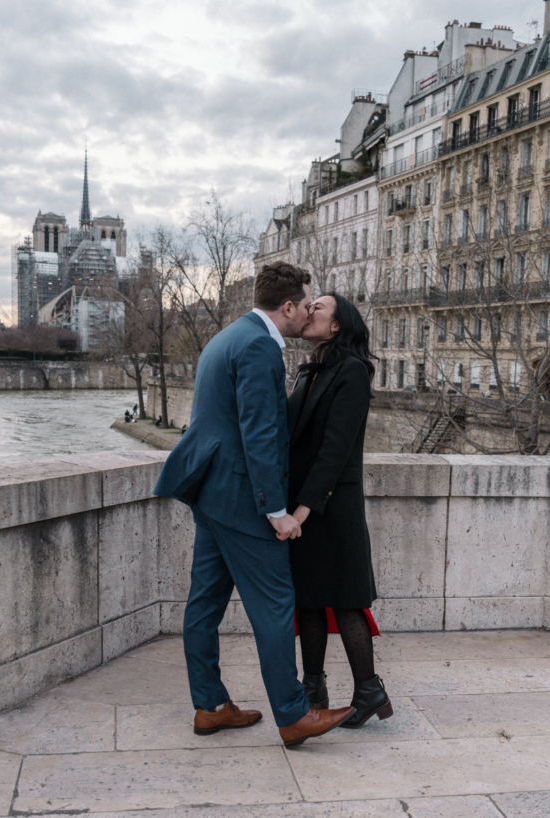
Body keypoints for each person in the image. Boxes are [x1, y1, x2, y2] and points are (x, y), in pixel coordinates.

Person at [152, 262, 355, 748]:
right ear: (287, 307)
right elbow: (259, 435)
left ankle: (210, 706)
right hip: (243, 499)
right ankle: (292, 714)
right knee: (274, 602)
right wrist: (275, 510)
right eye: (306, 305)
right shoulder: (262, 346)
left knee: (204, 603)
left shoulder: (227, 337)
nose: (308, 312)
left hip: (212, 493)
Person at [286, 294, 391, 728]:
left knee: (346, 600)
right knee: (309, 600)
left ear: (337, 326)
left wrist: (304, 509)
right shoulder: (309, 371)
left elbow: (335, 449)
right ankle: (314, 690)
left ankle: (369, 690)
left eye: (319, 307)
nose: (309, 310)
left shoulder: (351, 370)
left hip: (331, 505)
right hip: (303, 504)